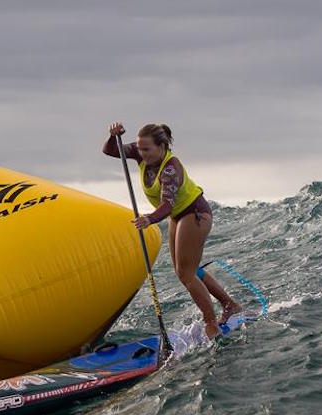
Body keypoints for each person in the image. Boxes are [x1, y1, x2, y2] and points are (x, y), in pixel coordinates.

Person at [103, 122, 240, 339]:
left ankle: (211, 322)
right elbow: (111, 151)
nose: (141, 153)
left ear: (162, 146)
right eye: (139, 149)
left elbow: (167, 205)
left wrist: (149, 219)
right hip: (178, 216)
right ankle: (229, 304)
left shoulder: (170, 169)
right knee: (185, 270)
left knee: (186, 273)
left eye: (146, 149)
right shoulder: (141, 155)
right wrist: (114, 137)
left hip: (194, 213)